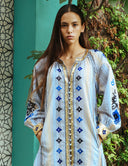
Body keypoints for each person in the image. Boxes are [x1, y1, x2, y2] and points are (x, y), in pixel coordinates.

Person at [24, 4, 121, 166]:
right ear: (58, 29)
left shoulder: (96, 61)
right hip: (52, 153)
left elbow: (111, 99)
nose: (70, 30)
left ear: (82, 27)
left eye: (74, 25)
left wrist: (99, 136)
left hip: (89, 151)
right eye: (64, 25)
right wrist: (41, 135)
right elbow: (33, 105)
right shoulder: (45, 65)